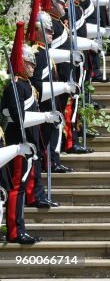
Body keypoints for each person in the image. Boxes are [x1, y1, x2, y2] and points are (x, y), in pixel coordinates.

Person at [3, 22, 63, 244]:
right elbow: (21, 119)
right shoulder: (16, 87)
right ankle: (15, 230)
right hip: (18, 143)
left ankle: (19, 227)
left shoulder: (26, 85)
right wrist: (47, 117)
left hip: (28, 143)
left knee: (21, 187)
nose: (32, 66)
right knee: (17, 188)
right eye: (29, 62)